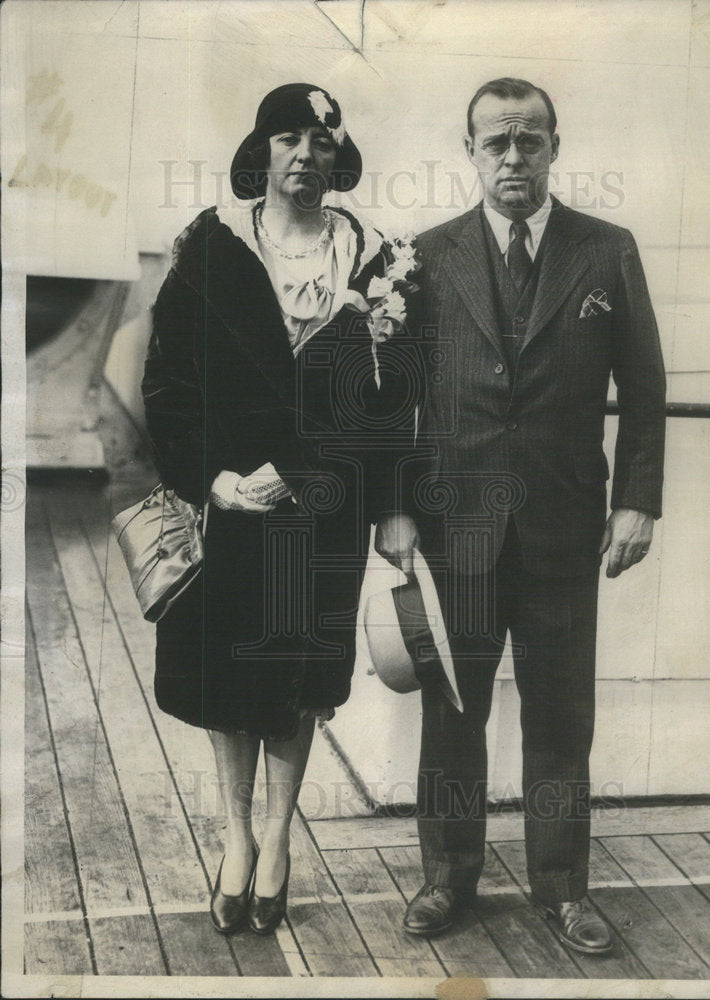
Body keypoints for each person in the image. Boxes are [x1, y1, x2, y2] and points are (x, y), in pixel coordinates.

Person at [376, 77, 666, 953]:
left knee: (559, 715)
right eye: (494, 142)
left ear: (553, 146)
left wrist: (636, 505)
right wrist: (392, 510)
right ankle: (445, 879)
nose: (512, 157)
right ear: (468, 151)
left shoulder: (605, 250)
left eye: (528, 140)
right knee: (452, 713)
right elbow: (392, 400)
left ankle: (562, 889)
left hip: (563, 526)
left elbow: (644, 387)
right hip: (452, 524)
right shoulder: (423, 257)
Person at [142, 83, 414, 936]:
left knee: (298, 681)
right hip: (233, 508)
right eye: (288, 138)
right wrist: (211, 481)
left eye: (322, 143)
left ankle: (276, 840)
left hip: (323, 510)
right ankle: (232, 839)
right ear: (259, 152)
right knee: (230, 678)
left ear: (339, 159)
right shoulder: (211, 250)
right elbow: (168, 386)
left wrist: (387, 507)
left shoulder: (379, 262)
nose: (305, 156)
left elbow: (396, 404)